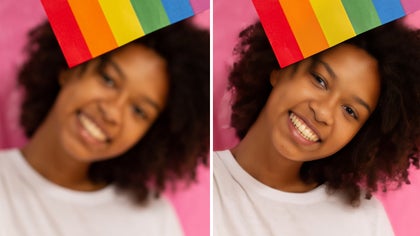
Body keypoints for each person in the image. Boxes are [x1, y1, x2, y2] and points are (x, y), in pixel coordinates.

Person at [0, 18, 209, 236]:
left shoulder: (151, 219)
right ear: (69, 67)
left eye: (139, 111)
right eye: (108, 80)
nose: (112, 113)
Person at [214, 19, 420, 236]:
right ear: (280, 67)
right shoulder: (209, 184)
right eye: (320, 80)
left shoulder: (363, 220)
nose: (323, 113)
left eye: (350, 111)